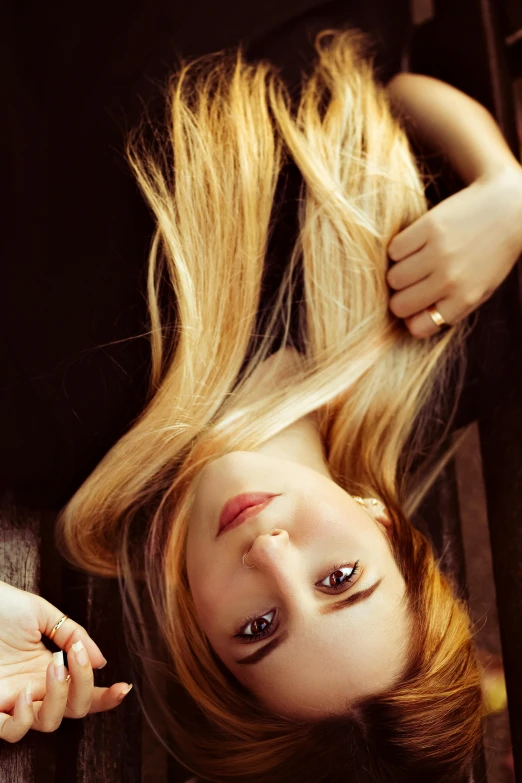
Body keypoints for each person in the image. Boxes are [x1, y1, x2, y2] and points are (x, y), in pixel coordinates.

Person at [2, 12, 522, 783]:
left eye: (259, 625)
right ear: (385, 522)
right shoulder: (436, 345)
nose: (271, 552)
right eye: (340, 578)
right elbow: (386, 86)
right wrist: (504, 187)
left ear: (200, 639)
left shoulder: (54, 422)